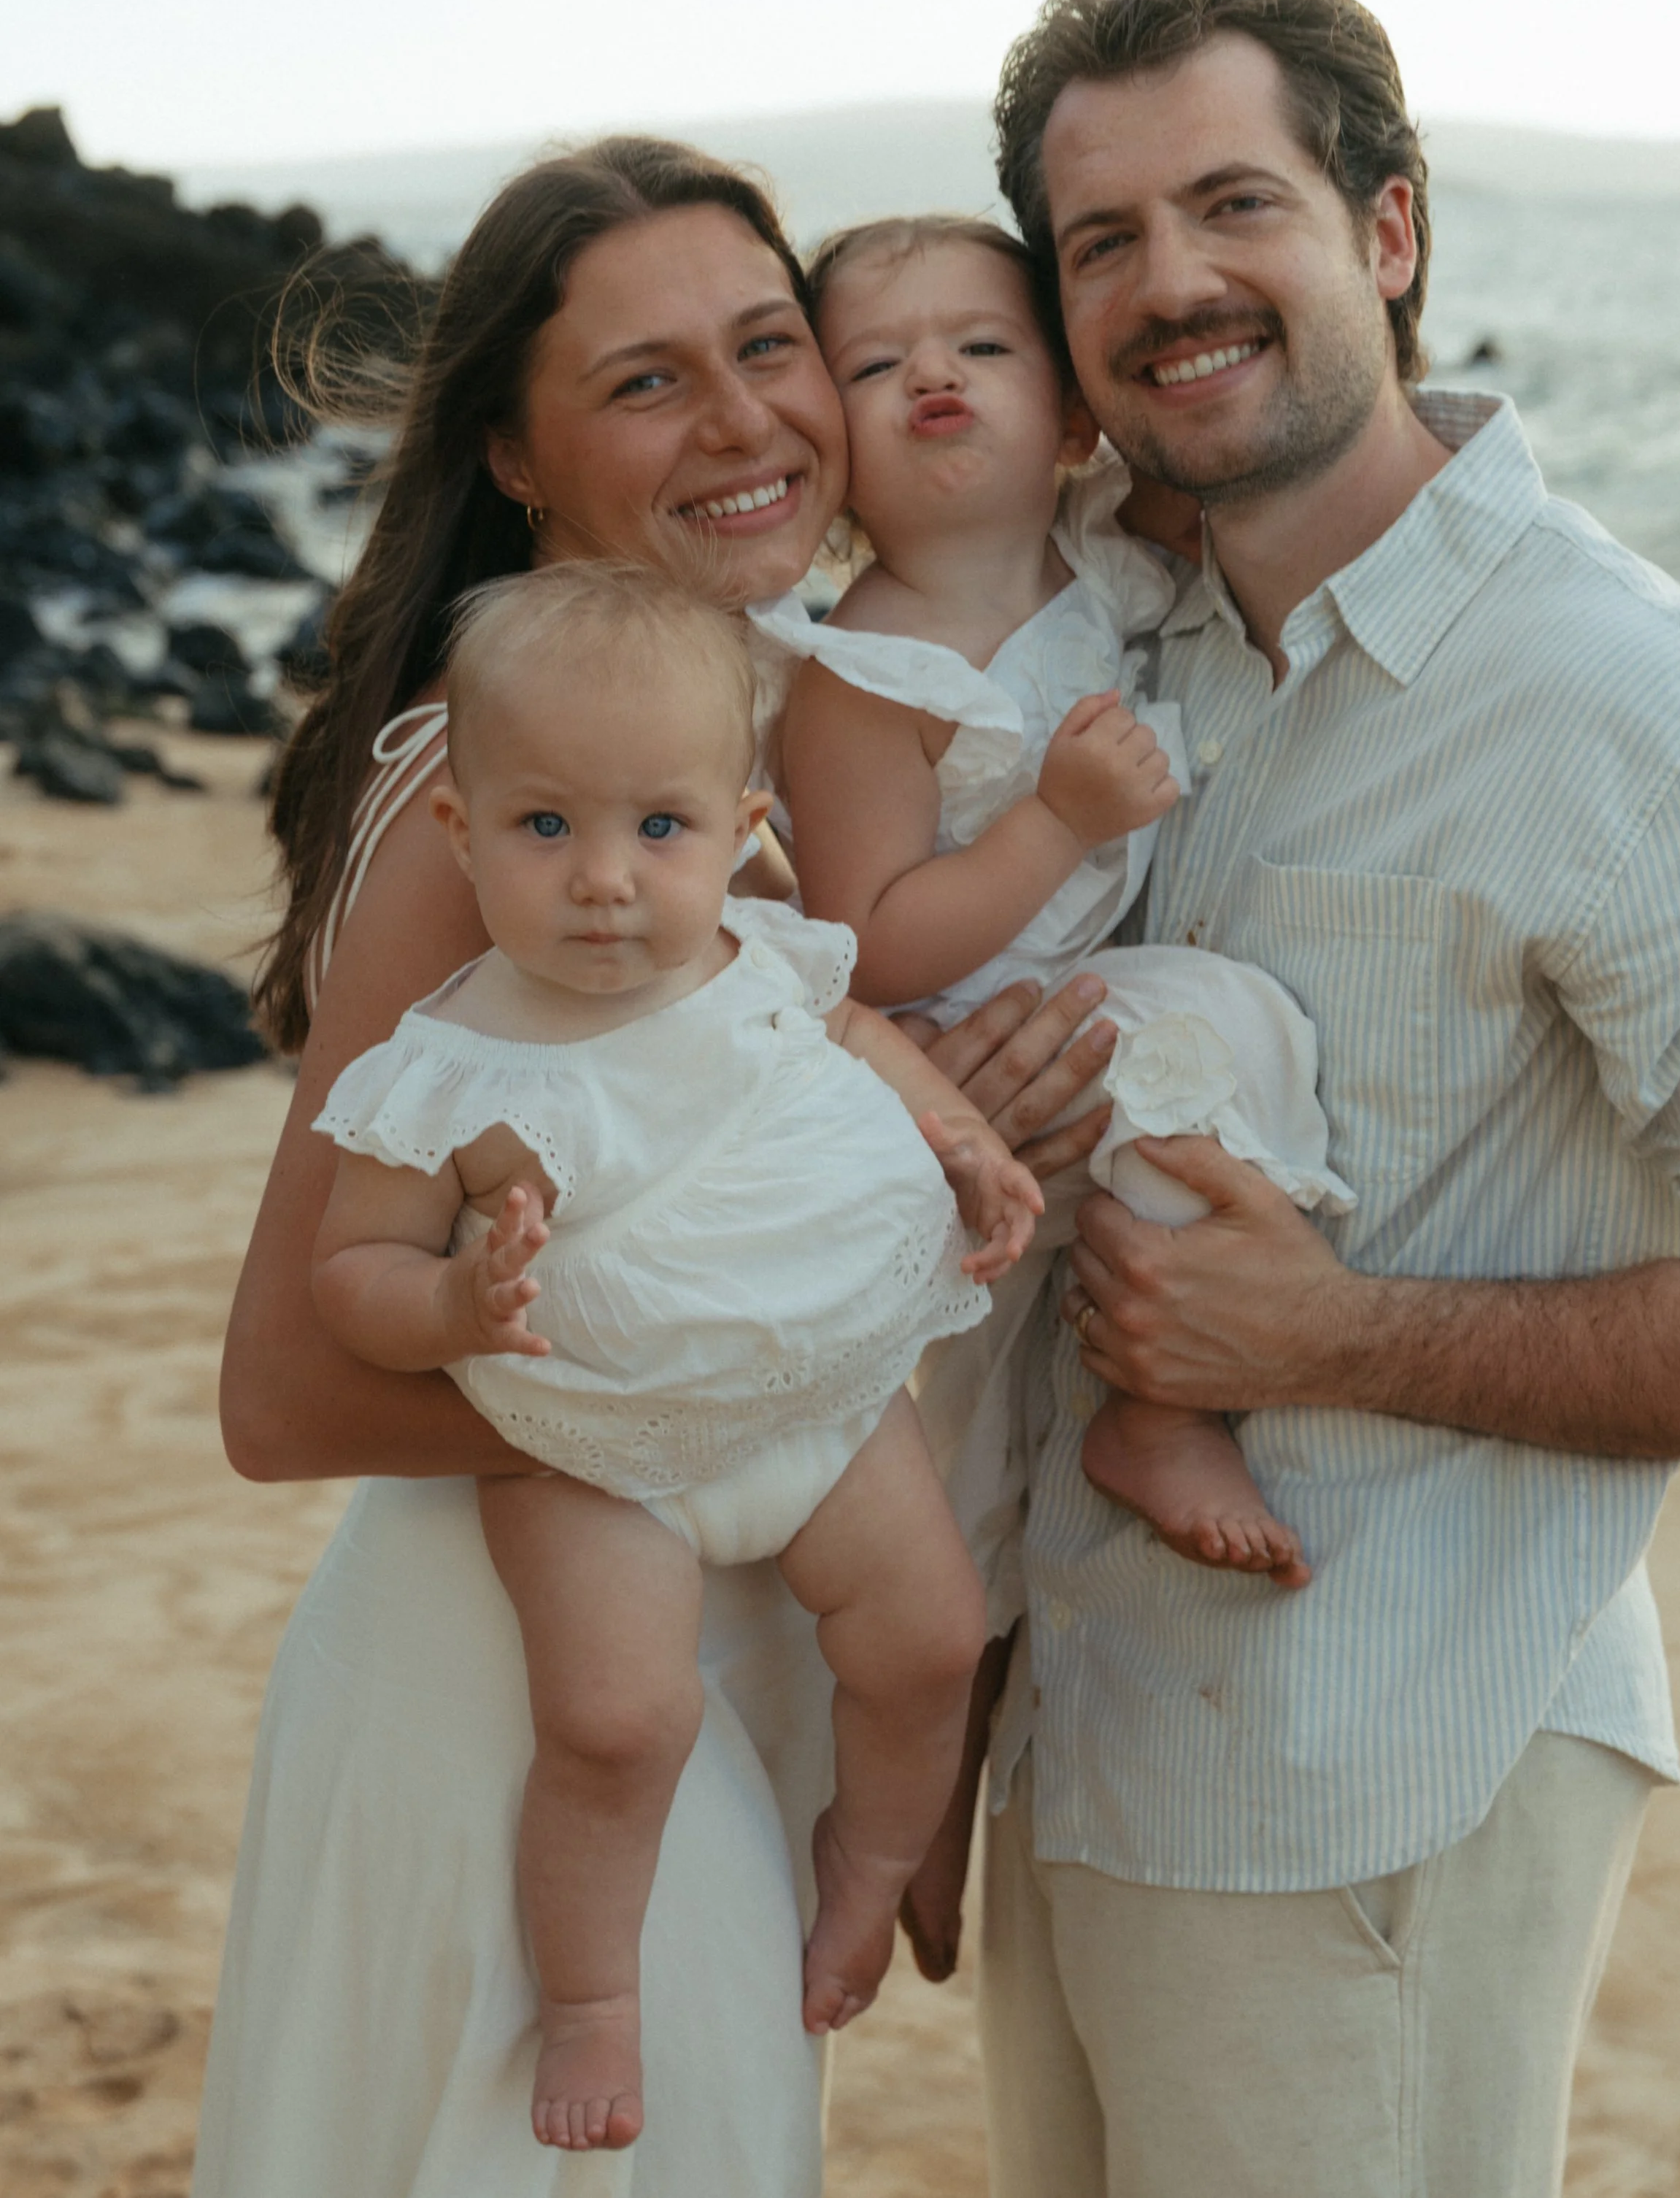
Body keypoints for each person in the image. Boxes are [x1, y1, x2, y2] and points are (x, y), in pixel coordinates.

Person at [930, 0, 1680, 2198]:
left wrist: (1335, 1334)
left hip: (1378, 1776)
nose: (1168, 282)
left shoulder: (1608, 696)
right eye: (1102, 237)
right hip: (1094, 1738)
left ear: (1389, 229)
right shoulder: (1124, 638)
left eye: (1237, 203)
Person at [194, 136, 1118, 2198]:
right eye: (643, 381)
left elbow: (704, 1142)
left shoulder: (689, 779)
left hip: (664, 1652)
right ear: (513, 458)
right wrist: (791, 1375)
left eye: (772, 345)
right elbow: (280, 1392)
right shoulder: (500, 788)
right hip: (525, 1702)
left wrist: (923, 1150)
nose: (746, 422)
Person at [309, 558, 1037, 2151]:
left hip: (822, 1401)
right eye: (545, 826)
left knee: (929, 1641)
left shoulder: (762, 962)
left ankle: (862, 1860)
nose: (602, 882)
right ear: (459, 831)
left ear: (742, 827)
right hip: (593, 1456)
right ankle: (593, 2001)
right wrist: (447, 1312)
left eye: (659, 828)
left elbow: (866, 1042)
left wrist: (964, 1141)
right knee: (617, 1725)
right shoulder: (445, 1063)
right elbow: (346, 1271)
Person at [762, 214, 1352, 1596]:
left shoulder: (1096, 561)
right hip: (963, 1038)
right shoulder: (866, 671)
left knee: (980, 1475)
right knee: (1221, 1021)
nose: (933, 377)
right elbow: (867, 940)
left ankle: (1122, 1395)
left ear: (1074, 417)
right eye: (876, 364)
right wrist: (1056, 823)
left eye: (982, 345)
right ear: (829, 445)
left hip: (1062, 1004)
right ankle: (1159, 1412)